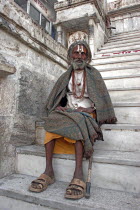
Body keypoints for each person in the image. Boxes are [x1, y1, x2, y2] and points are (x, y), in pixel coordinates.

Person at [29, 41, 117, 199]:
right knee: (51, 120)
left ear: (87, 57)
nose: (79, 56)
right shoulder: (65, 76)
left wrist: (90, 109)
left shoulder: (94, 74)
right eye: (76, 53)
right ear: (70, 56)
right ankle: (48, 171)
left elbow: (101, 101)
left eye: (83, 53)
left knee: (78, 121)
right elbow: (57, 97)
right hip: (69, 111)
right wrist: (59, 106)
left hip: (87, 112)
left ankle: (78, 174)